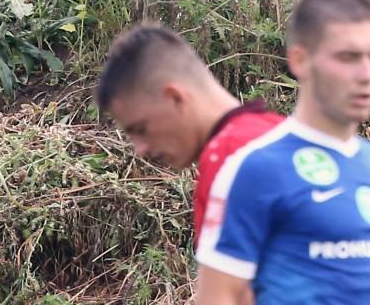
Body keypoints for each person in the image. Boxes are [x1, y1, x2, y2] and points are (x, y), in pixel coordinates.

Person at [195, 0, 370, 304]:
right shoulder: (255, 168)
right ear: (300, 60)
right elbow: (220, 294)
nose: (367, 75)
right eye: (348, 57)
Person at [97, 25, 282, 247]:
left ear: (175, 97)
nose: (140, 150)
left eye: (141, 129)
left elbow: (220, 273)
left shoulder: (229, 162)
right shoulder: (282, 133)